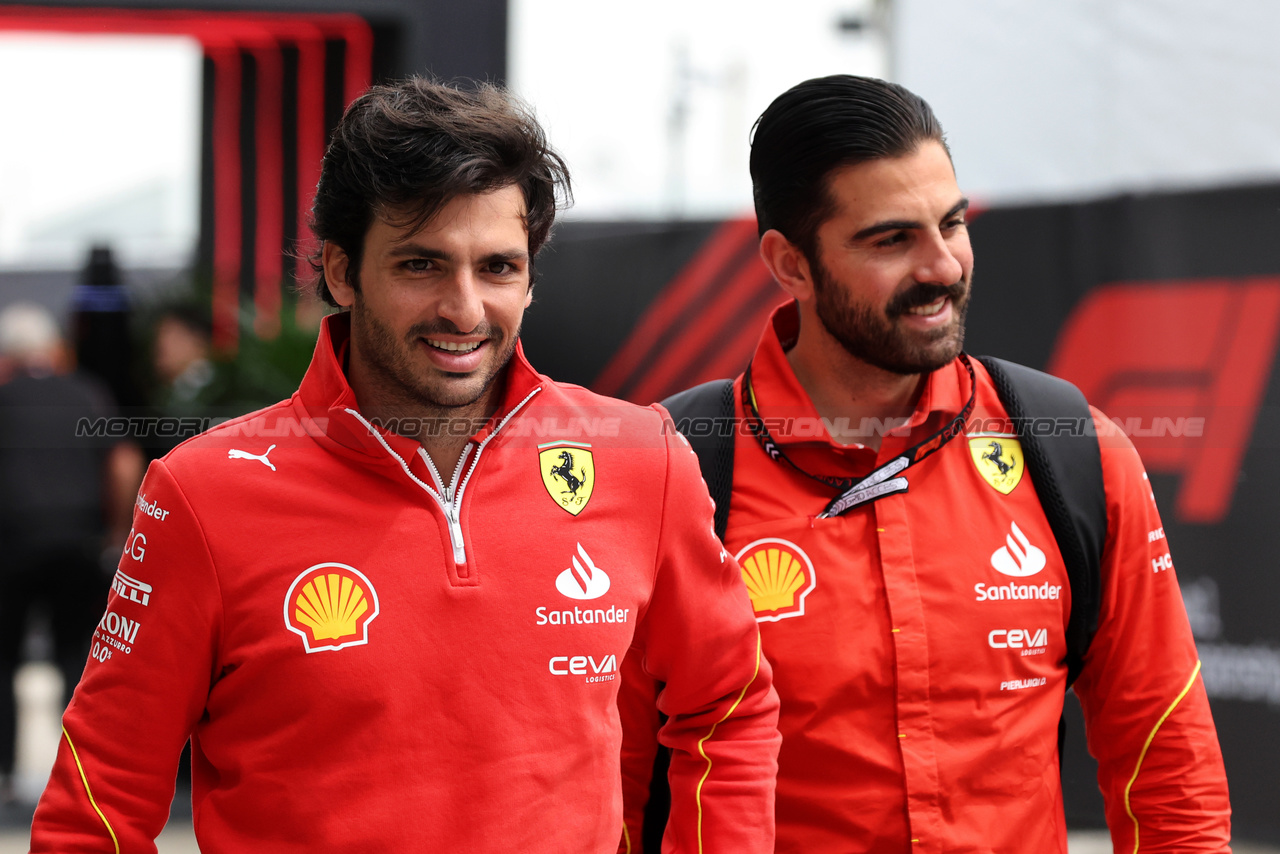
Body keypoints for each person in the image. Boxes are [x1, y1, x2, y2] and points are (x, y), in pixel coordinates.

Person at [31, 78, 779, 853]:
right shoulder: (204, 492)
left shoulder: (641, 459)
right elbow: (99, 796)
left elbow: (728, 705)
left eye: (497, 267)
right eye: (422, 266)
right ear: (341, 271)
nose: (464, 309)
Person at [619, 75, 1231, 853]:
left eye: (953, 223)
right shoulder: (670, 469)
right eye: (892, 239)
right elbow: (612, 786)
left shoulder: (1070, 446)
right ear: (790, 264)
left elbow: (1166, 756)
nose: (943, 266)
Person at [0, 303, 142, 802]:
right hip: (80, 543)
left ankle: (5, 779)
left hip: (11, 546)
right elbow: (124, 464)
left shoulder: (4, 396)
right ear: (54, 351)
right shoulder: (87, 391)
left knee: (4, 659)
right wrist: (116, 532)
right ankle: (80, 777)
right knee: (79, 658)